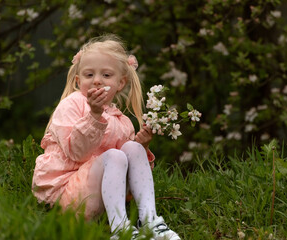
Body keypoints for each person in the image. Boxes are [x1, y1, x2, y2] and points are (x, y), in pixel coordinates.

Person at [32, 34, 181, 240]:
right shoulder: (72, 105)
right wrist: (94, 114)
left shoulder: (121, 121)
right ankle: (121, 229)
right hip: (68, 195)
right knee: (114, 155)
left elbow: (126, 169)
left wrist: (142, 146)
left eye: (106, 75)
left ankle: (149, 220)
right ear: (78, 80)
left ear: (120, 83)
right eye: (89, 74)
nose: (97, 80)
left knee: (132, 149)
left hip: (104, 195)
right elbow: (77, 153)